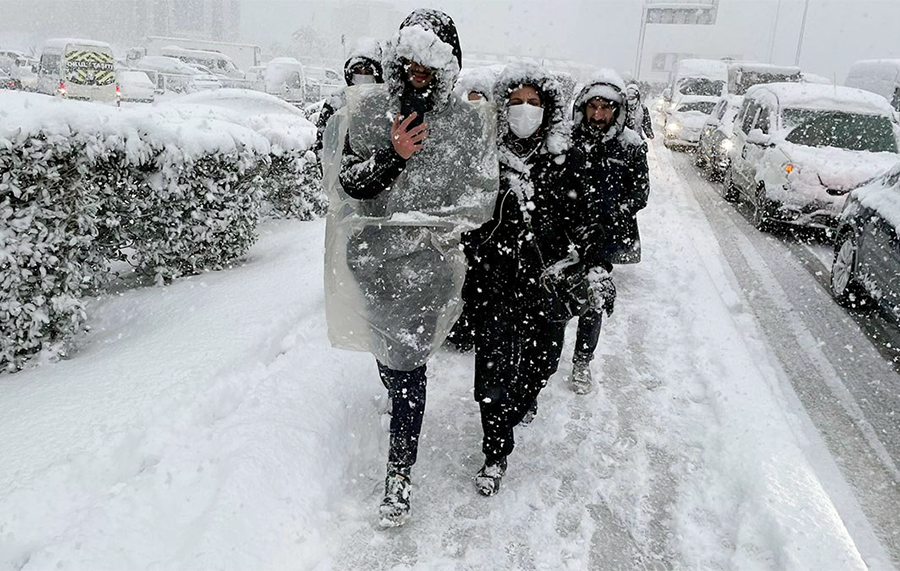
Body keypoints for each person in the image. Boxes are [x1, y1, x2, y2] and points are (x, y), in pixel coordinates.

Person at [320, 9, 499, 527]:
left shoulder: (465, 122)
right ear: (398, 60)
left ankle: (399, 473)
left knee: (407, 367)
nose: (419, 72)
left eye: (431, 62)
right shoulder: (372, 111)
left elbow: (478, 197)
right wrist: (393, 156)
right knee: (390, 359)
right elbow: (349, 184)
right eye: (411, 61)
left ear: (449, 65)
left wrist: (437, 226)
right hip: (373, 265)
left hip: (428, 269)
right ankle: (399, 407)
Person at [464, 62, 616, 496]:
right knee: (491, 377)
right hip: (493, 283)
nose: (524, 110)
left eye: (533, 103)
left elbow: (590, 218)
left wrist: (594, 264)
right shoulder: (484, 154)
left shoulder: (566, 158)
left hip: (546, 286)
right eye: (515, 102)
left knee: (542, 363)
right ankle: (495, 454)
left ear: (547, 108)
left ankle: (522, 402)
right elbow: (464, 216)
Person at [567, 70, 650, 395]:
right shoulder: (568, 140)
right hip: (566, 237)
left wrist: (611, 218)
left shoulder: (630, 147)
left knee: (593, 301)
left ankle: (582, 362)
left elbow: (639, 194)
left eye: (606, 108)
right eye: (593, 107)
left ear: (617, 110)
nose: (598, 115)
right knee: (555, 304)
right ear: (584, 107)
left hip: (603, 241)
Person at [314, 38, 384, 162]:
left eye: (367, 72)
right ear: (349, 73)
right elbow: (322, 142)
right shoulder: (336, 102)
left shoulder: (383, 104)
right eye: (358, 71)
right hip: (339, 172)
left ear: (377, 74)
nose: (362, 76)